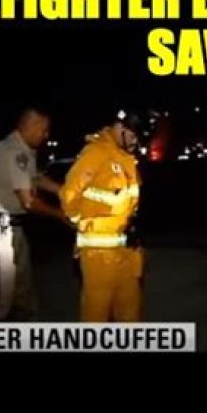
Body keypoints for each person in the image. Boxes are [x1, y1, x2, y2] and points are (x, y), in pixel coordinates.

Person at [59, 108, 153, 322]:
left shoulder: (127, 158)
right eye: (133, 136)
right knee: (96, 315)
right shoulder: (96, 153)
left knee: (131, 314)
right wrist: (85, 225)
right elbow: (69, 194)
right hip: (98, 255)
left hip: (127, 251)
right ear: (120, 127)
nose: (136, 142)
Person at [0, 107, 68, 321]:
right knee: (2, 298)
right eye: (44, 130)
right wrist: (59, 214)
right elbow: (29, 201)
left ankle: (24, 327)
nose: (46, 135)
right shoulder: (14, 151)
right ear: (31, 126)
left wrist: (64, 190)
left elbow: (35, 178)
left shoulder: (25, 149)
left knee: (23, 290)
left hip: (13, 228)